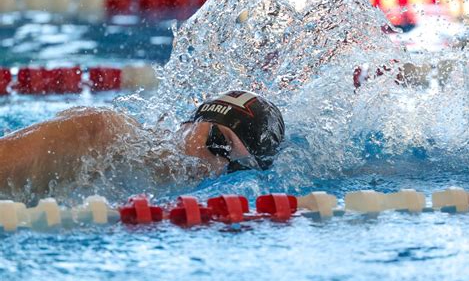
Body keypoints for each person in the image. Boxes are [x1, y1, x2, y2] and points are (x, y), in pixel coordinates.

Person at [0, 90, 285, 196]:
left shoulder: (152, 186)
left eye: (233, 169)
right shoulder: (102, 133)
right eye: (218, 142)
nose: (216, 167)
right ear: (189, 126)